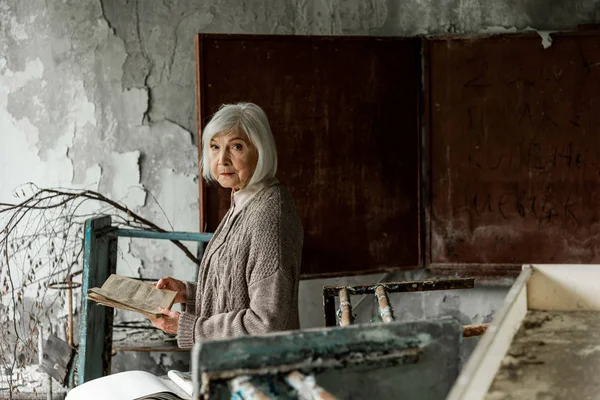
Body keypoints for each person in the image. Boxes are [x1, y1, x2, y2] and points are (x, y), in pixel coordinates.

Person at [148, 102, 303, 349]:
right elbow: (237, 295)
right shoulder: (244, 200)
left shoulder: (269, 215)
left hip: (259, 376)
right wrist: (186, 293)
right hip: (233, 366)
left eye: (237, 147)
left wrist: (189, 328)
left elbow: (265, 324)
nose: (222, 160)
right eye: (215, 147)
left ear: (260, 150)